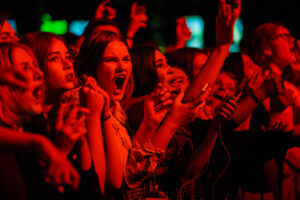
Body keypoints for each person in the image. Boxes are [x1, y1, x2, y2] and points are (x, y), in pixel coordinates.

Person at [19, 32, 101, 198]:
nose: (68, 64)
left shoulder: (60, 118)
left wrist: (82, 142)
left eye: (68, 57)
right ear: (35, 68)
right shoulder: (27, 127)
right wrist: (62, 150)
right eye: (54, 58)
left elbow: (92, 191)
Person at [0, 42, 80, 200]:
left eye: (35, 65)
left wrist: (61, 153)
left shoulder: (32, 130)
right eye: (24, 68)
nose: (39, 73)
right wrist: (39, 143)